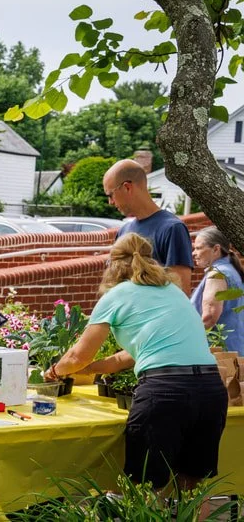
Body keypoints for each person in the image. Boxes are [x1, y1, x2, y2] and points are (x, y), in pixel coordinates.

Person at [45, 233, 226, 496]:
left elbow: (76, 356)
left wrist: (54, 371)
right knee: (190, 486)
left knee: (144, 489)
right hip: (210, 389)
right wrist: (90, 369)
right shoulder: (172, 292)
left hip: (165, 392)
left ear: (113, 264)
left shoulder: (117, 295)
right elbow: (124, 357)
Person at [104, 159, 193, 294]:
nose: (110, 202)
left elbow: (181, 292)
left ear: (127, 187)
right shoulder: (123, 231)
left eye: (111, 195)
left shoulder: (172, 229)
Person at [191, 226, 244, 354]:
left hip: (220, 355)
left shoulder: (217, 274)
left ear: (216, 249)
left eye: (198, 248)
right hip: (234, 350)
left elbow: (208, 317)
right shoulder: (231, 270)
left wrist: (182, 339)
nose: (193, 253)